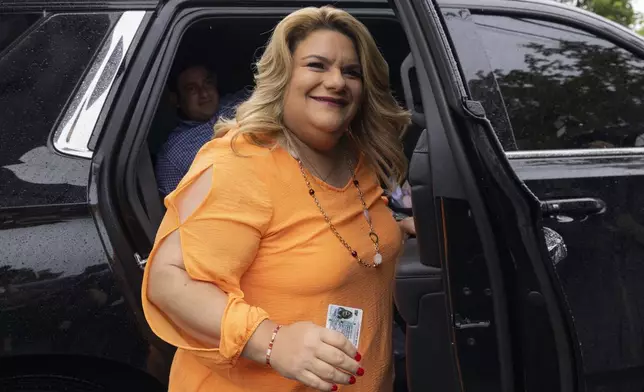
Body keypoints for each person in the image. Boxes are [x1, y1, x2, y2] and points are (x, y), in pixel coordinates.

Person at [143, 6, 412, 392]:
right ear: (283, 76)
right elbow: (168, 281)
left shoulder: (357, 156)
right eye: (317, 65)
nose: (337, 81)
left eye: (351, 72)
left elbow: (332, 242)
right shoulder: (241, 162)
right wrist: (271, 341)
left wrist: (398, 231)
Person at [154, 62, 247, 196]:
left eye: (207, 83)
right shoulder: (173, 158)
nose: (204, 93)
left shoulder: (242, 102)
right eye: (192, 89)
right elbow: (181, 212)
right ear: (176, 100)